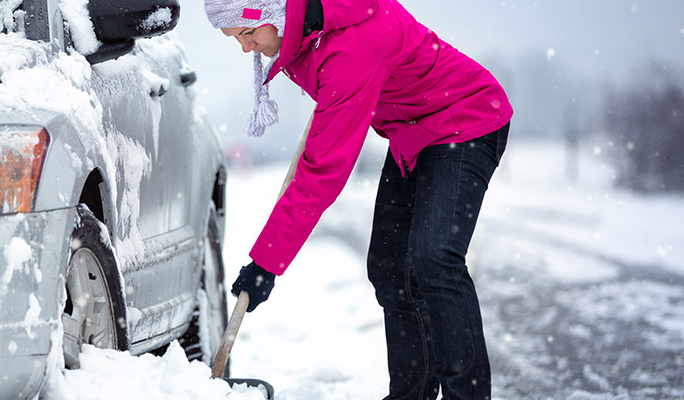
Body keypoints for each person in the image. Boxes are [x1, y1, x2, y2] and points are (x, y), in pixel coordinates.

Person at [203, 0, 512, 398]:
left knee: (433, 257)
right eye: (236, 39)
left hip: (465, 119)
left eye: (247, 33)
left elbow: (321, 172)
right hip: (413, 133)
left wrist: (266, 264)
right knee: (389, 267)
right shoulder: (308, 32)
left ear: (272, 14)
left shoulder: (350, 50)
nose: (246, 48)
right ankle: (410, 394)